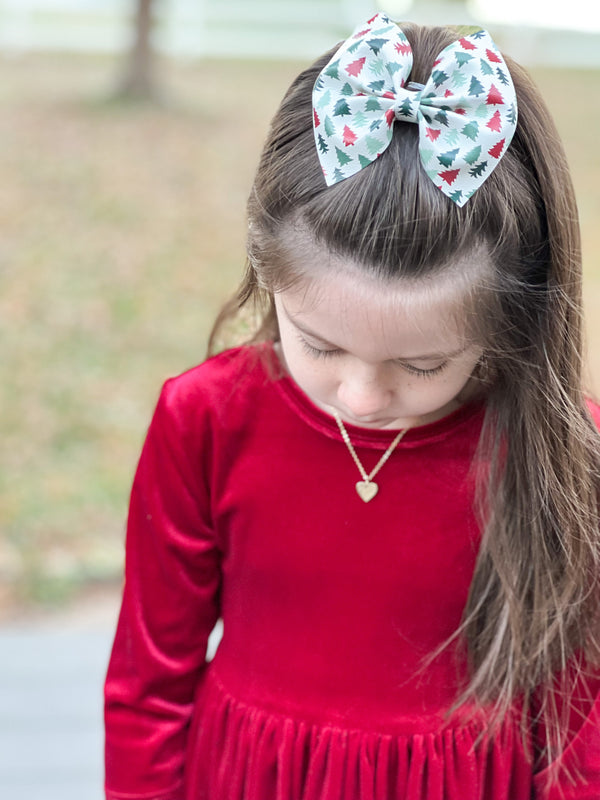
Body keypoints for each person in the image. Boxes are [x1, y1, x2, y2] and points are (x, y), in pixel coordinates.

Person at [104, 13, 600, 800]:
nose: (363, 396)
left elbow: (583, 717)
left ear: (512, 325)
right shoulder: (205, 419)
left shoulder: (562, 448)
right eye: (320, 346)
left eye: (422, 364)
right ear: (270, 280)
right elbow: (146, 688)